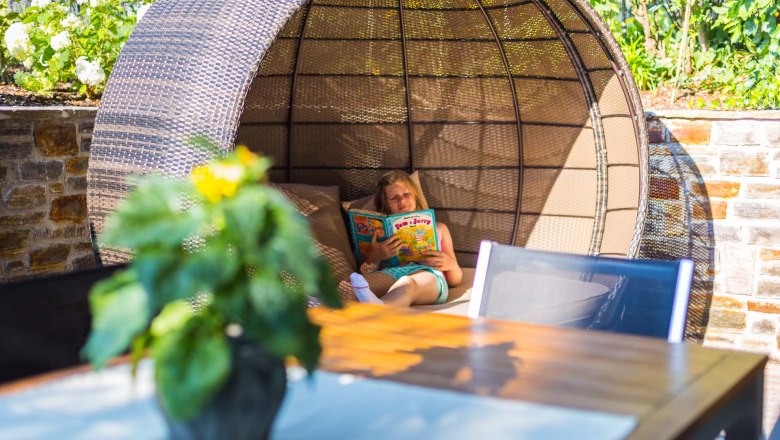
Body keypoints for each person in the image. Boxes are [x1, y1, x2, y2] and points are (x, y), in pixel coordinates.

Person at [350, 171, 463, 307]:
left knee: (407, 283)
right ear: (385, 204)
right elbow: (365, 274)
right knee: (352, 287)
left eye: (406, 194)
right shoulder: (380, 233)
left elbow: (455, 281)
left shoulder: (439, 229)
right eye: (393, 198)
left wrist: (450, 264)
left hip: (427, 276)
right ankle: (377, 304)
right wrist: (375, 257)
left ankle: (381, 307)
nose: (402, 201)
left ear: (415, 196)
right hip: (391, 275)